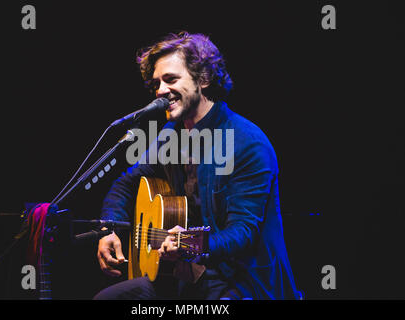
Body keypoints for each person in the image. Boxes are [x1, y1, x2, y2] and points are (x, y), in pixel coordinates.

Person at [94, 31, 301, 300]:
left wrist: (188, 244)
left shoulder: (247, 142)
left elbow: (242, 233)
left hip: (239, 282)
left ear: (203, 79)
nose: (160, 91)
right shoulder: (171, 134)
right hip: (186, 278)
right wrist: (108, 229)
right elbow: (126, 182)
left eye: (171, 80)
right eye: (156, 83)